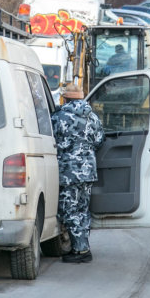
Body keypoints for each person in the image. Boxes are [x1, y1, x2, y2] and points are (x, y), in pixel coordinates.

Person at [51, 83, 105, 263]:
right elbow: (99, 141)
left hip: (68, 172)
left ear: (65, 98)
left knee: (69, 210)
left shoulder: (59, 117)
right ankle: (83, 248)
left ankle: (80, 251)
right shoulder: (93, 117)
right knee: (82, 210)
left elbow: (49, 139)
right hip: (88, 171)